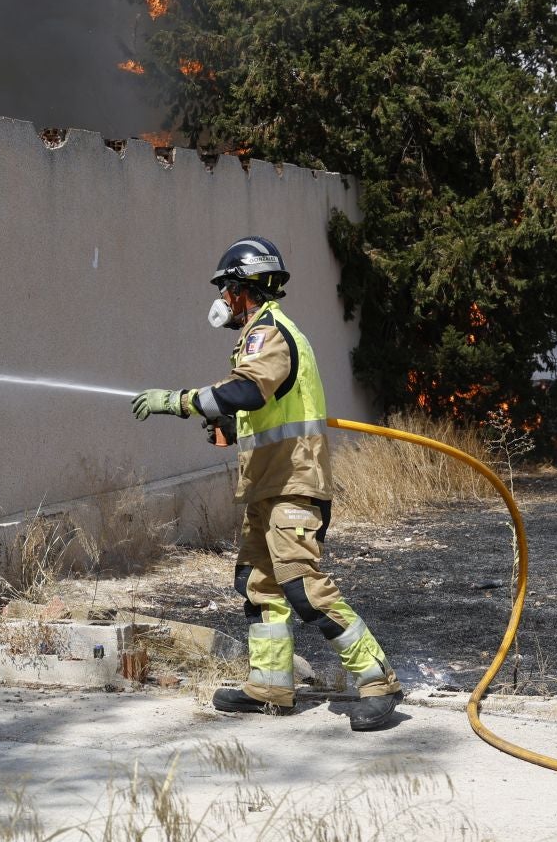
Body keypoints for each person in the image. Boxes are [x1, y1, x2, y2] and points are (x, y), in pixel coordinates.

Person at [132, 236, 403, 732]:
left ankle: (377, 680)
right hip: (267, 486)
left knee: (301, 584)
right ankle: (271, 686)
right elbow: (268, 407)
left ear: (242, 289)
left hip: (293, 484)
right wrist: (233, 426)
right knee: (259, 585)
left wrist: (179, 401)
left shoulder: (269, 332)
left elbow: (248, 390)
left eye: (225, 289)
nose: (221, 300)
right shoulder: (262, 334)